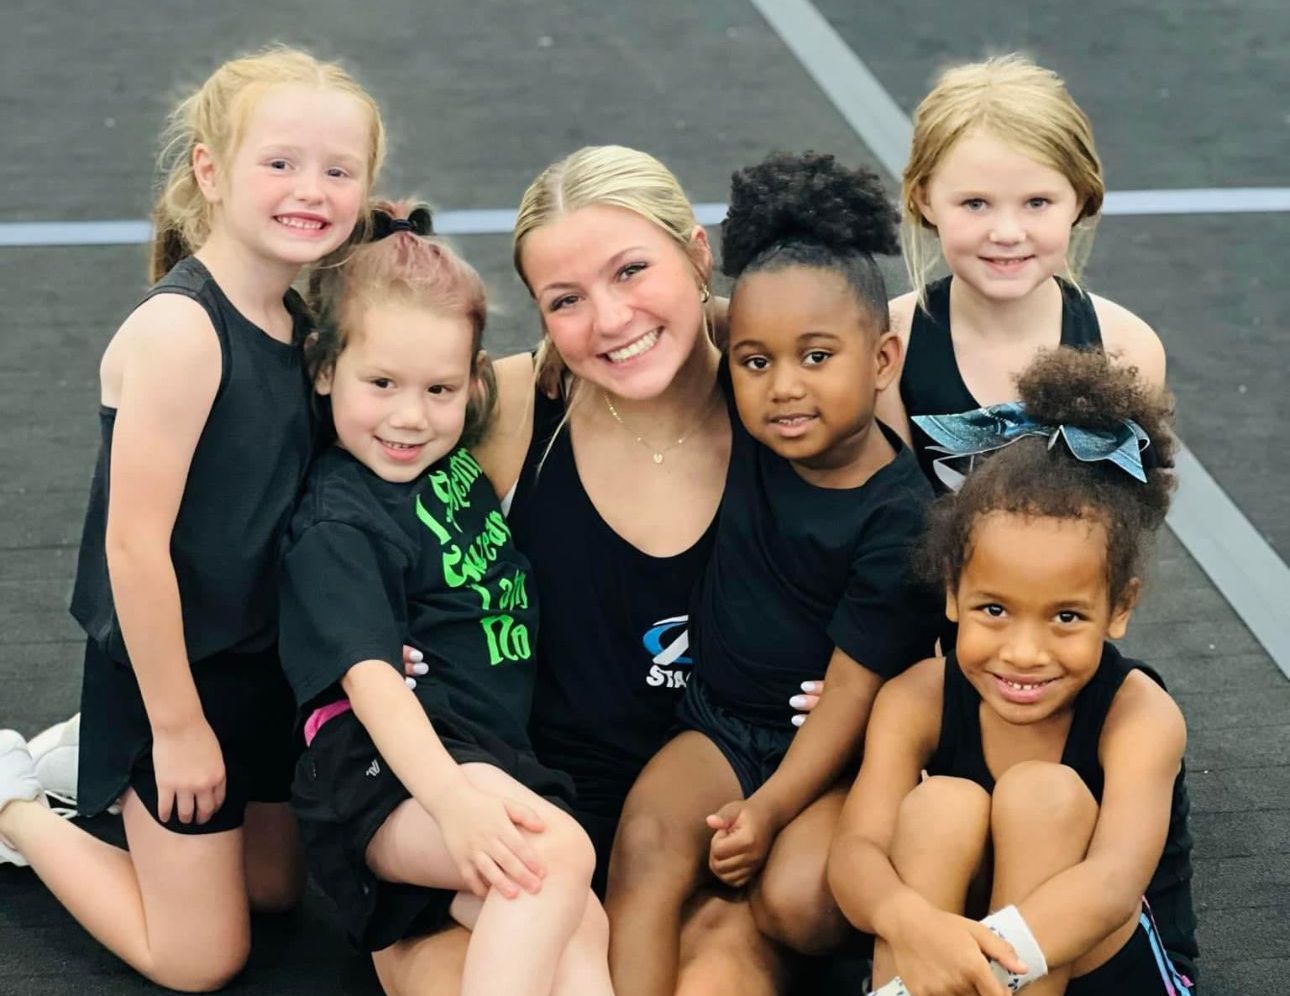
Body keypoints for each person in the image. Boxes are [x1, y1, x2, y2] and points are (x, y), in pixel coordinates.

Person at [395, 146, 846, 996]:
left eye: (632, 270)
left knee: (717, 978)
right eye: (566, 300)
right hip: (539, 815)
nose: (608, 320)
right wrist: (387, 643)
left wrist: (881, 681)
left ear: (699, 252)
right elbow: (355, 492)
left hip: (723, 821)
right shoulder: (504, 409)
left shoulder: (801, 395)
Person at [0, 46, 383, 991]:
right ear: (210, 172)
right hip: (175, 672)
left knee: (276, 892)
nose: (312, 189)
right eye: (281, 163)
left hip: (259, 671)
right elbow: (134, 547)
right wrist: (175, 726)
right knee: (203, 957)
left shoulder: (297, 318)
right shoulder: (182, 333)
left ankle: (90, 757)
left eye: (340, 170)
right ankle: (17, 803)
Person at [604, 152, 941, 996]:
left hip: (833, 755)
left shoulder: (901, 517)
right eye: (756, 363)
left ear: (884, 359)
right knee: (644, 845)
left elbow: (854, 692)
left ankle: (764, 932)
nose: (784, 388)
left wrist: (774, 807)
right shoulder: (755, 430)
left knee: (795, 899)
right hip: (720, 724)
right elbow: (681, 322)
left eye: (818, 357)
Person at [277, 202, 611, 996]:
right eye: (381, 383)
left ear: (474, 383)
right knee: (552, 856)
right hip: (385, 770)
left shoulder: (451, 460)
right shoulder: (339, 522)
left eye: (439, 389)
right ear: (325, 370)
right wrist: (454, 804)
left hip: (482, 755)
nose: (409, 416)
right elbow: (371, 683)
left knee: (583, 923)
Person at [829, 348, 1198, 996]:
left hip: (1106, 971)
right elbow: (856, 855)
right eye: (994, 610)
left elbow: (1111, 886)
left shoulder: (1138, 715)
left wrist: (964, 970)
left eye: (1065, 618)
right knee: (941, 806)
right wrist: (915, 926)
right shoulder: (914, 698)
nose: (1024, 653)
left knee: (1044, 797)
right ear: (952, 593)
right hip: (947, 965)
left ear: (1120, 609)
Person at [879, 54, 1166, 491]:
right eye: (975, 203)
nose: (1008, 233)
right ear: (924, 199)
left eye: (1036, 203)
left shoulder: (1127, 352)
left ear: (1082, 199)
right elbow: (888, 518)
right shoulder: (890, 343)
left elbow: (1127, 525)